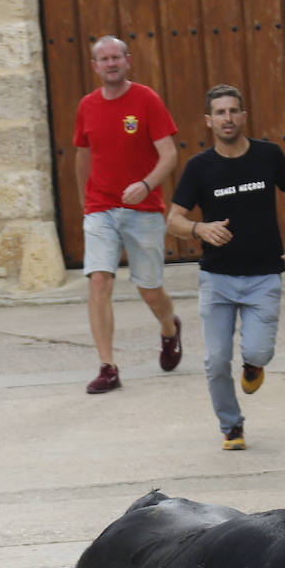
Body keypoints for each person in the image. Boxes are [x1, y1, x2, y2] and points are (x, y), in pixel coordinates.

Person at [165, 85, 285, 451]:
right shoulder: (199, 167)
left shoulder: (268, 156)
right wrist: (199, 229)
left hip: (264, 274)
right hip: (217, 278)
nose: (227, 118)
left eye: (233, 111)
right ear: (209, 121)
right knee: (215, 361)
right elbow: (174, 220)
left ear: (243, 116)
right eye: (220, 113)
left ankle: (254, 366)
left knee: (258, 352)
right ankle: (232, 426)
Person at [73, 36, 182, 394]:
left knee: (150, 291)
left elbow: (169, 154)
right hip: (101, 209)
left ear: (127, 60)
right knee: (99, 282)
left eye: (116, 57)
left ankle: (169, 328)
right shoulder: (87, 106)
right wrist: (84, 204)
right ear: (95, 66)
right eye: (103, 59)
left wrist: (146, 185)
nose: (111, 63)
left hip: (143, 209)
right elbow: (83, 156)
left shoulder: (146, 99)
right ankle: (108, 367)